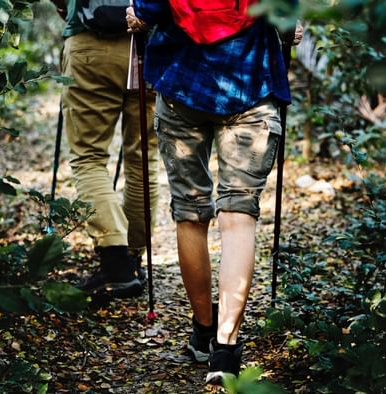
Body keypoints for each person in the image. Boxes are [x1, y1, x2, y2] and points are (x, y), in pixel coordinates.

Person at [126, 1, 298, 385]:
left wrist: (136, 15)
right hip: (252, 87)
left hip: (182, 86)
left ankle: (203, 331)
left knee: (190, 211)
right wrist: (290, 30)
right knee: (238, 217)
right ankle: (225, 348)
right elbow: (286, 19)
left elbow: (145, 11)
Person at [50, 0, 159, 298]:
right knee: (144, 157)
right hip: (149, 46)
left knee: (89, 157)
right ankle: (133, 259)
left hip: (90, 46)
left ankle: (116, 262)